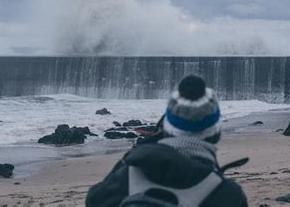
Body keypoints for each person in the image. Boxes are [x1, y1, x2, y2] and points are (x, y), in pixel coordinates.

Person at [86, 75, 248, 207]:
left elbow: (93, 200)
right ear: (215, 132)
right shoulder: (228, 195)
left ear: (167, 126)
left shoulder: (126, 177)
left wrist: (136, 153)